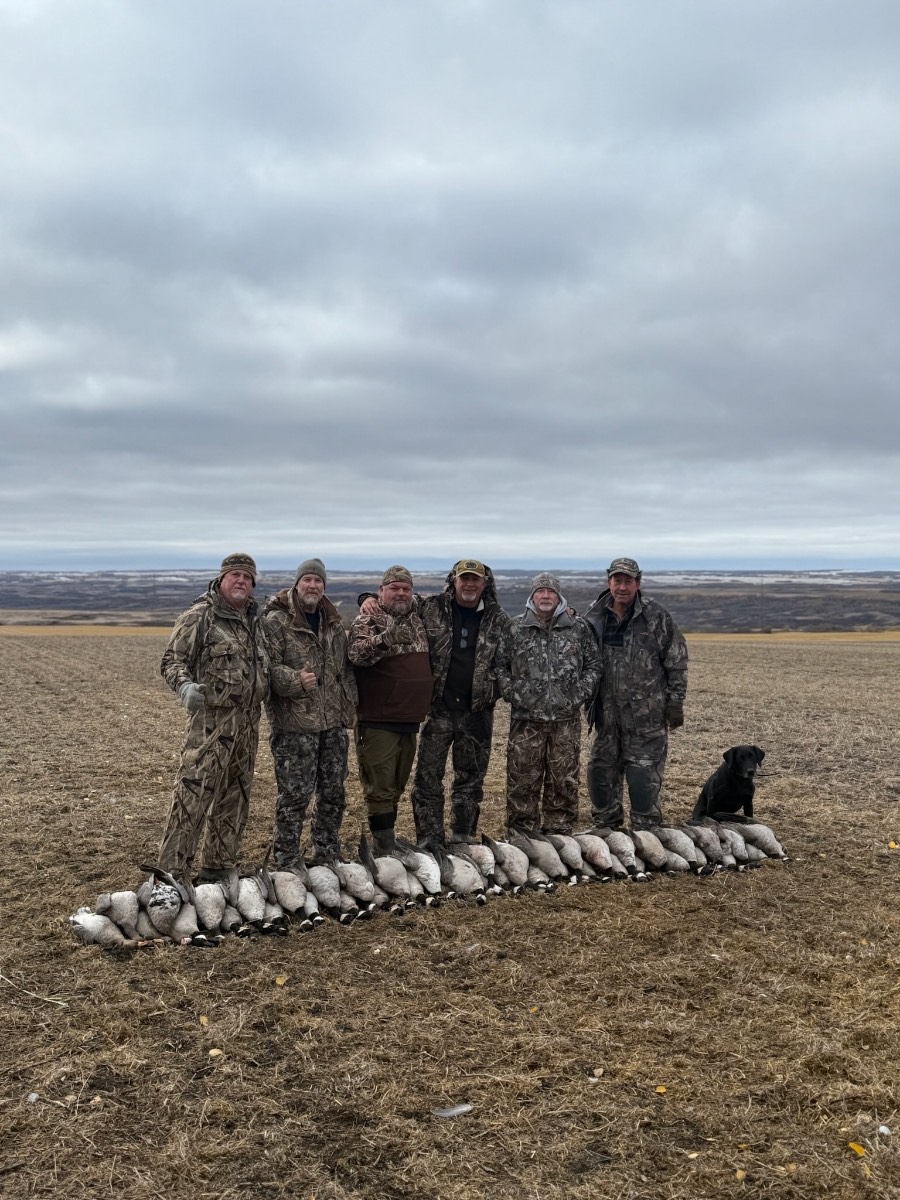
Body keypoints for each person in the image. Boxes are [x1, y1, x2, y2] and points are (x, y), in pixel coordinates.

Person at [158, 552, 269, 881]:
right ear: (221, 580)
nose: (241, 581)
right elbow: (171, 661)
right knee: (192, 796)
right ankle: (171, 875)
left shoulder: (255, 621)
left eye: (247, 577)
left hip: (248, 726)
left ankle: (217, 867)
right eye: (235, 575)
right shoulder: (201, 616)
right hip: (211, 726)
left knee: (235, 797)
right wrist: (185, 687)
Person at [263, 558, 357, 868]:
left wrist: (349, 709)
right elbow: (266, 668)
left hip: (332, 726)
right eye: (307, 580)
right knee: (294, 797)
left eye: (318, 581)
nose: (313, 586)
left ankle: (326, 853)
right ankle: (287, 858)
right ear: (297, 584)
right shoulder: (276, 621)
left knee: (333, 795)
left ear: (324, 586)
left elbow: (344, 672)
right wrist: (295, 680)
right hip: (295, 727)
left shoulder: (333, 623)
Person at [582, 557, 688, 831]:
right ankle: (607, 832)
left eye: (628, 581)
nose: (622, 587)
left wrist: (676, 703)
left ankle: (646, 832)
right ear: (609, 582)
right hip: (606, 716)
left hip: (646, 719)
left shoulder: (656, 616)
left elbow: (676, 660)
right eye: (617, 580)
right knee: (600, 774)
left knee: (644, 778)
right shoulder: (594, 615)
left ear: (638, 584)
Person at [495, 572, 602, 834]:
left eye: (550, 592)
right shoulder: (515, 627)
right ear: (532, 596)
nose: (545, 596)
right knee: (522, 779)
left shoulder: (579, 628)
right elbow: (499, 666)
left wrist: (579, 694)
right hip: (526, 721)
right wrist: (514, 693)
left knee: (563, 780)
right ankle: (522, 834)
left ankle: (559, 833)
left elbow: (594, 665)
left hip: (565, 721)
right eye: (540, 591)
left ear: (559, 596)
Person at [347, 565, 433, 852]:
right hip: (378, 718)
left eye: (406, 588)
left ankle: (389, 839)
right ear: (381, 591)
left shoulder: (418, 617)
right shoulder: (368, 619)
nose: (400, 592)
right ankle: (383, 845)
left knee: (396, 784)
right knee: (380, 786)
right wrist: (384, 639)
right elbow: (356, 655)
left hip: (409, 717)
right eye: (394, 587)